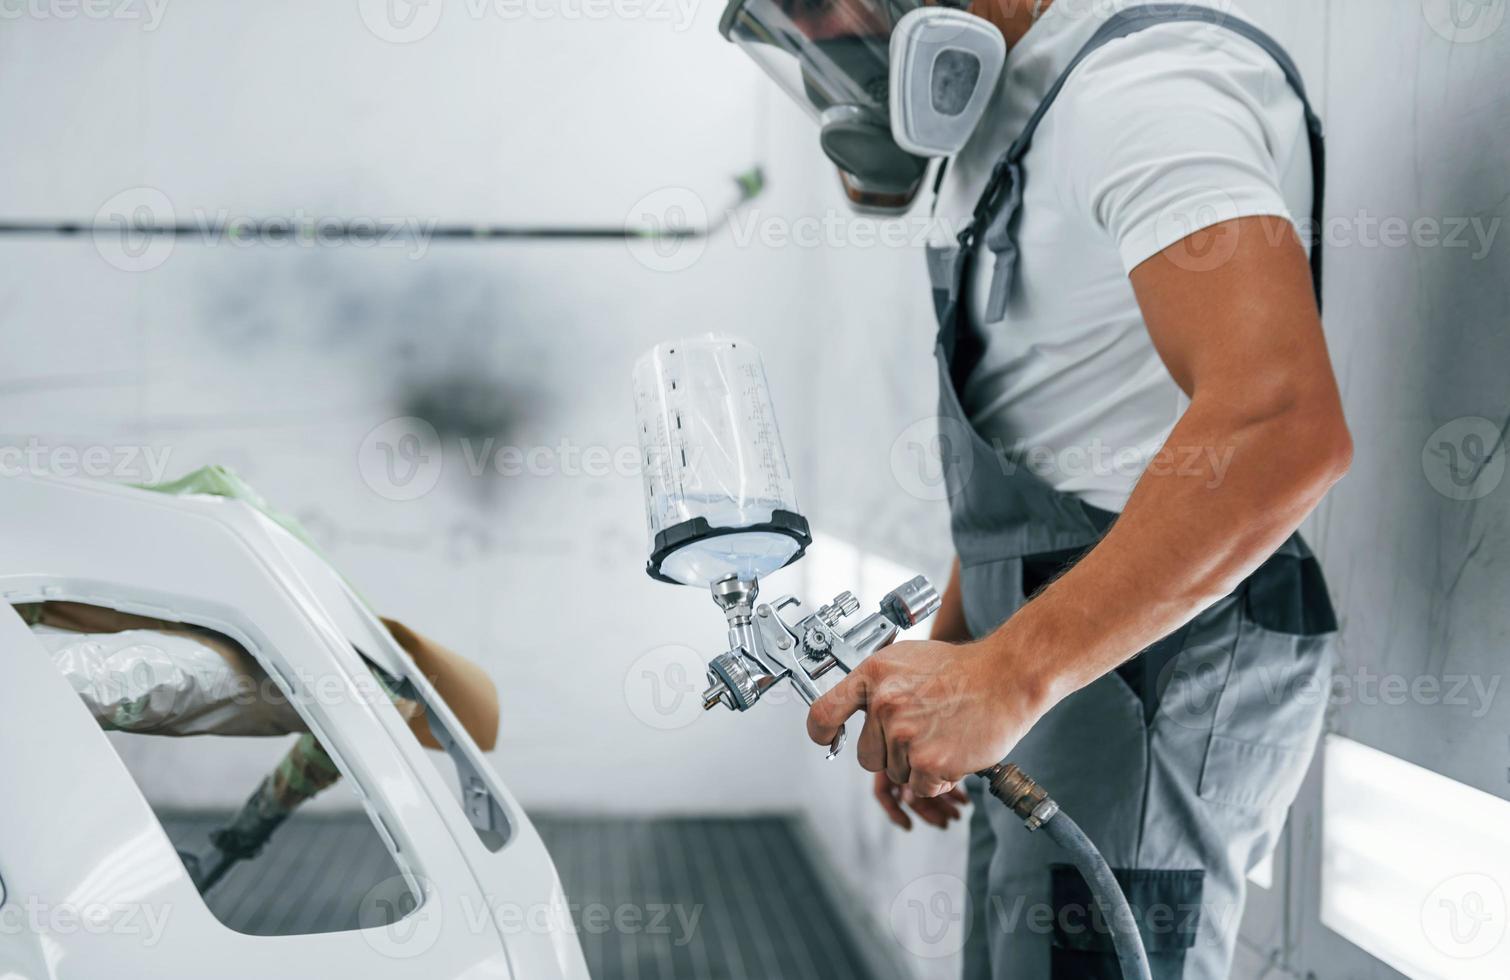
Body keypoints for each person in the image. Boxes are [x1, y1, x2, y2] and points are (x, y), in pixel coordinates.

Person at [723, 0, 1352, 976]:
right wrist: (955, 653)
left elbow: (1280, 427)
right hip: (1061, 653)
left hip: (1144, 672)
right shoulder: (1024, 117)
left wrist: (1006, 673)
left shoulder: (1143, 90)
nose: (816, 50)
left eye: (811, 6)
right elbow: (1054, 434)